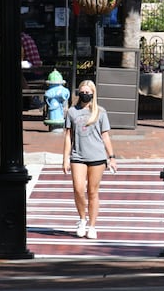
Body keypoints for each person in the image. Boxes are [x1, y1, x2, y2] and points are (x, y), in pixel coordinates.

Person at [62, 80, 117, 240]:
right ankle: (82, 219)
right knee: (78, 188)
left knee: (93, 192)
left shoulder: (100, 112)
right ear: (78, 93)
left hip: (97, 157)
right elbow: (68, 136)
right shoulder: (72, 112)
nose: (85, 94)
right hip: (77, 156)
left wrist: (111, 157)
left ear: (93, 94)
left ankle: (92, 226)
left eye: (88, 92)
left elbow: (105, 135)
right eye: (82, 91)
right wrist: (65, 158)